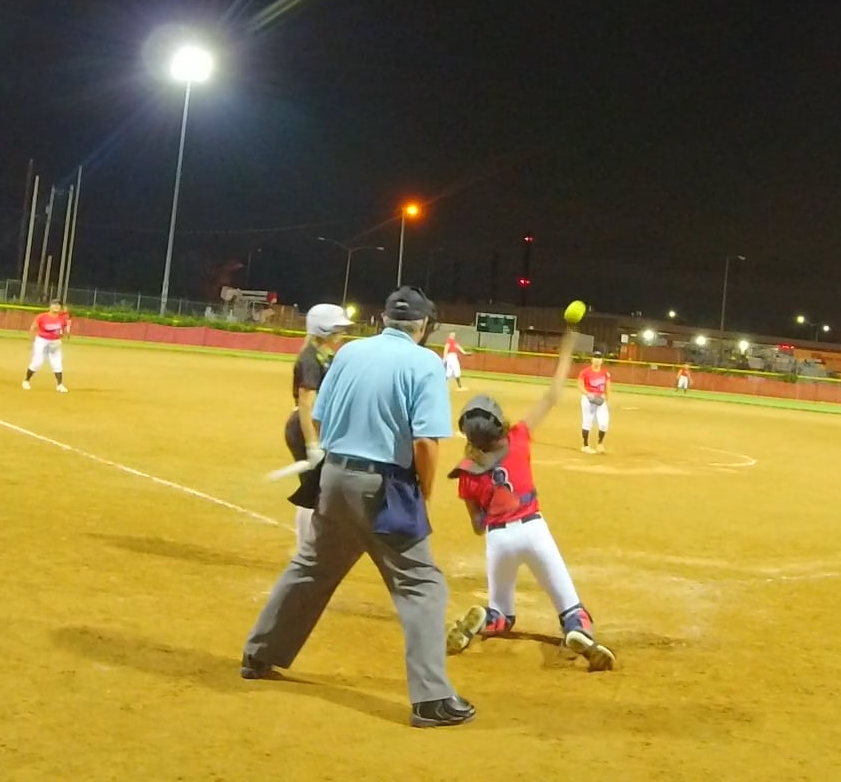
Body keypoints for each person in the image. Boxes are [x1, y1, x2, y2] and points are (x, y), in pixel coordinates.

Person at [239, 286, 474, 728]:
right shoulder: (424, 362)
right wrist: (424, 493)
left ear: (384, 320)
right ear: (423, 326)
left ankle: (259, 654)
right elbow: (426, 442)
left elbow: (317, 417)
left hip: (334, 477)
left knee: (312, 567)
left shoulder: (348, 353)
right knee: (422, 585)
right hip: (384, 486)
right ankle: (431, 700)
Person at [444, 318, 615, 671]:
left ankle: (489, 618)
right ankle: (576, 628)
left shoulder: (465, 471)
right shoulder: (518, 438)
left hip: (498, 541)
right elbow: (553, 394)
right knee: (573, 609)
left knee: (502, 616)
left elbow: (478, 525)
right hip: (534, 531)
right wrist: (568, 342)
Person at [264, 304, 355, 558]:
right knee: (312, 491)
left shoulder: (324, 356)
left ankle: (312, 544)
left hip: (319, 427)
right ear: (323, 329)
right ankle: (306, 548)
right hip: (305, 428)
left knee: (321, 489)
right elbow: (306, 405)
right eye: (337, 328)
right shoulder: (309, 359)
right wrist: (312, 443)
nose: (341, 333)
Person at [22, 300, 69, 392]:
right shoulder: (42, 316)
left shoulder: (63, 318)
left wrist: (65, 330)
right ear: (50, 306)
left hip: (55, 342)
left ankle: (59, 385)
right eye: (54, 305)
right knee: (37, 361)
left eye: (59, 305)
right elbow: (33, 328)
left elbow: (65, 331)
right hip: (42, 341)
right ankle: (26, 381)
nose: (56, 306)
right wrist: (32, 341)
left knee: (57, 362)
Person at [579, 350, 612, 453]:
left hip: (601, 399)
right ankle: (585, 446)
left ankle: (600, 444)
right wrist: (588, 394)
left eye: (599, 358)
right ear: (592, 360)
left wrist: (607, 399)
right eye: (595, 358)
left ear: (602, 360)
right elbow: (580, 385)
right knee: (587, 421)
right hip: (588, 399)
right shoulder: (585, 372)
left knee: (604, 423)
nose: (597, 360)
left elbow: (608, 388)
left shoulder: (605, 373)